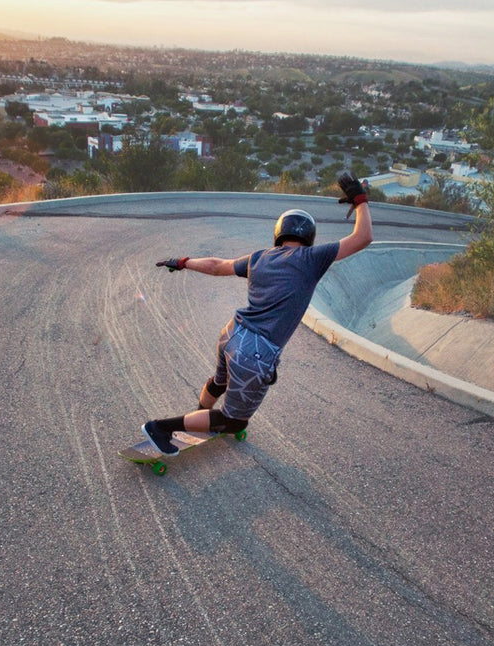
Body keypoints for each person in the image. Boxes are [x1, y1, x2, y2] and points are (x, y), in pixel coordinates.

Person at [141, 173, 373, 455]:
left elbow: (216, 265)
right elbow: (363, 237)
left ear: (279, 233)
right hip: (256, 352)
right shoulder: (312, 259)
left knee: (219, 382)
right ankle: (162, 428)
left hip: (232, 333)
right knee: (235, 421)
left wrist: (183, 261)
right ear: (309, 238)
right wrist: (360, 201)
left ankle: (200, 415)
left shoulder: (259, 257)